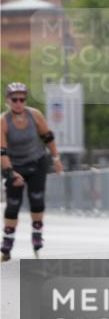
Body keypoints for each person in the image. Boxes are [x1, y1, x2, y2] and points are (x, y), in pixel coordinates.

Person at [1, 82, 63, 261]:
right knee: (13, 204)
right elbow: (1, 151)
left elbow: (48, 137)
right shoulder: (3, 121)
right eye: (15, 100)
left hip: (36, 162)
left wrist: (56, 159)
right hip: (14, 165)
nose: (18, 103)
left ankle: (37, 232)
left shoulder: (35, 115)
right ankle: (7, 242)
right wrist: (11, 173)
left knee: (36, 199)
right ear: (8, 101)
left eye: (22, 99)